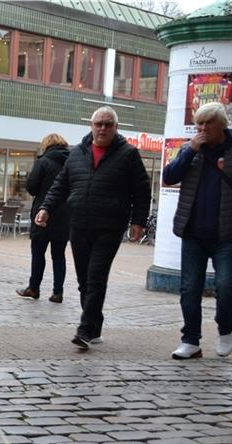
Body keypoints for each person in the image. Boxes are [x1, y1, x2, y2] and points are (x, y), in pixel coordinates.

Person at [36, 106, 151, 350]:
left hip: (110, 225)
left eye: (108, 124)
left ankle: (85, 329)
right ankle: (95, 325)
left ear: (116, 128)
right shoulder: (77, 153)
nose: (102, 128)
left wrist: (138, 222)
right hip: (78, 224)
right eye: (98, 124)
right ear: (91, 126)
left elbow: (142, 190)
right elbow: (60, 185)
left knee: (96, 277)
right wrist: (46, 208)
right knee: (83, 281)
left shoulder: (128, 154)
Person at [162, 102, 232, 360]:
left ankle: (225, 329)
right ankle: (190, 341)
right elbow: (169, 177)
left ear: (222, 124)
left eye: (208, 122)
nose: (202, 128)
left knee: (226, 285)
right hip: (193, 232)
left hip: (226, 233)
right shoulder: (191, 149)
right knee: (189, 288)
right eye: (199, 123)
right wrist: (189, 151)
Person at [16, 134, 71, 302]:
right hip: (64, 215)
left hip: (42, 213)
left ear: (46, 145)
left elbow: (32, 188)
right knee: (59, 255)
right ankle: (58, 292)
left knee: (38, 253)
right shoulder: (71, 163)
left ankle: (34, 288)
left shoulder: (43, 162)